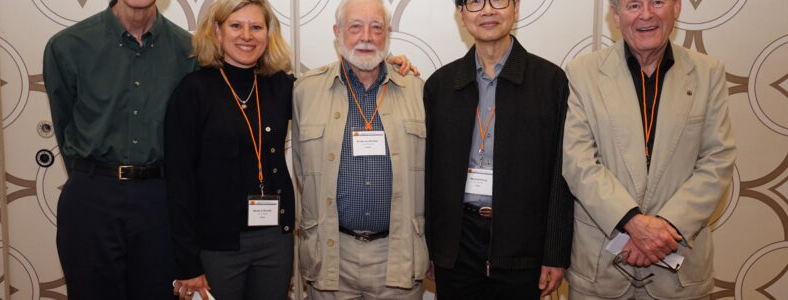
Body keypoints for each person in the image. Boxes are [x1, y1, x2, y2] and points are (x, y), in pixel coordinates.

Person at [561, 0, 737, 299]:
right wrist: (632, 222)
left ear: (677, 8)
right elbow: (578, 161)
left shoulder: (709, 73)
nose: (646, 14)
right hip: (601, 267)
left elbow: (717, 161)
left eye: (657, 2)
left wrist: (663, 229)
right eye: (633, 5)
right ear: (615, 15)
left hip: (679, 270)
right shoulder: (582, 73)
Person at [43, 0, 196, 298]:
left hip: (160, 201)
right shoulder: (68, 46)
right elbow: (64, 124)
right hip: (92, 197)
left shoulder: (188, 51)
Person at [423, 0, 573, 299]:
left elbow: (562, 173)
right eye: (475, 2)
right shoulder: (440, 85)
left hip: (523, 245)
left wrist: (555, 254)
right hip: (457, 244)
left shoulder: (549, 81)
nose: (488, 10)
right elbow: (428, 175)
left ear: (515, 9)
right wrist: (430, 247)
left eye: (500, 1)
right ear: (462, 14)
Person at [291, 0, 428, 298]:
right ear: (337, 32)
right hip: (330, 255)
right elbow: (302, 169)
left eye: (376, 27)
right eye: (355, 26)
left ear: (387, 34)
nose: (366, 36)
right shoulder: (306, 90)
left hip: (398, 255)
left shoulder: (417, 90)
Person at [165, 1, 295, 299]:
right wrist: (187, 262)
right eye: (236, 25)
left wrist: (385, 65)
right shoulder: (193, 91)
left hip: (275, 240)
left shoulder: (281, 86)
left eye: (256, 27)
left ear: (268, 33)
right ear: (217, 31)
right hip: (216, 245)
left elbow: (332, 93)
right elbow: (179, 181)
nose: (246, 35)